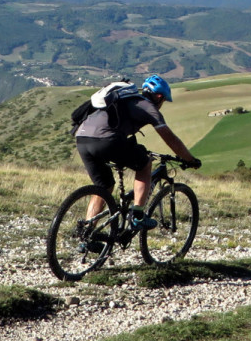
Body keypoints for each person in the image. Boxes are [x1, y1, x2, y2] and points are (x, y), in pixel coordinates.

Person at [75, 74, 201, 231]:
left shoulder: (124, 99)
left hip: (81, 138)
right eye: (163, 100)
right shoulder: (148, 107)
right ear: (159, 96)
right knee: (144, 163)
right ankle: (138, 216)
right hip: (106, 140)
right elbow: (170, 139)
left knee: (104, 186)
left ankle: (88, 231)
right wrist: (190, 159)